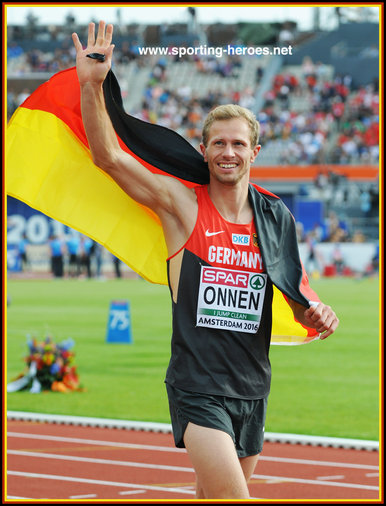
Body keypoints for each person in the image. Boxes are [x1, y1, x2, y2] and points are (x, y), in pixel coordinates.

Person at [72, 21, 339, 499]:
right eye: (219, 142)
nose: (228, 152)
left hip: (254, 388)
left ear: (255, 152)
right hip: (198, 387)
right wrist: (92, 86)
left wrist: (316, 313)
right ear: (204, 150)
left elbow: (294, 298)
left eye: (238, 144)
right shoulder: (183, 206)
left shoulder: (275, 217)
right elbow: (108, 157)